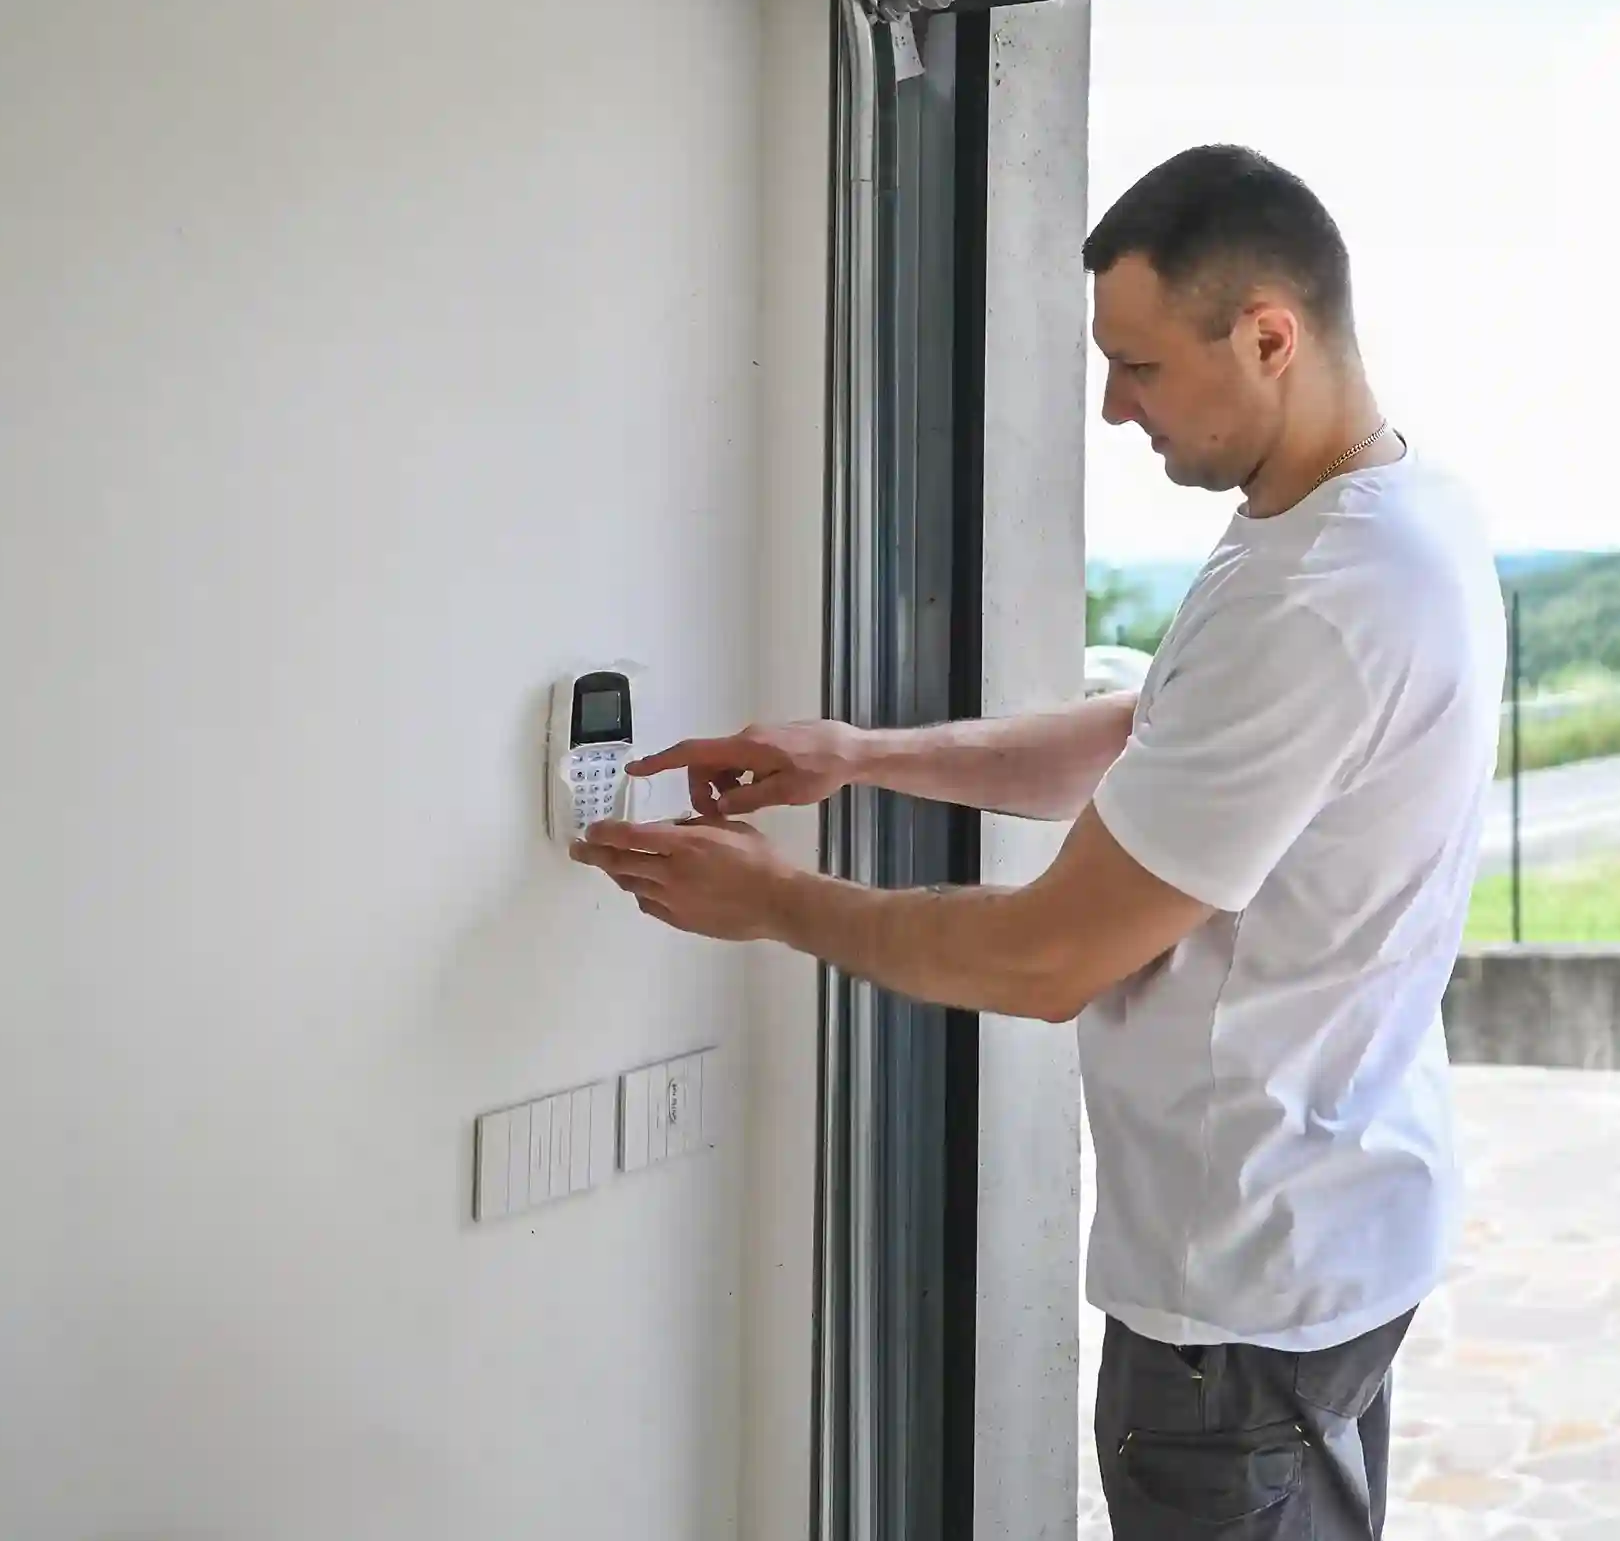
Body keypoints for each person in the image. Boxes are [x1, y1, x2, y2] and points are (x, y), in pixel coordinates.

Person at [576, 143, 1505, 1539]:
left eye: (1136, 367)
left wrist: (778, 905)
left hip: (1238, 1293)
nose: (1112, 408)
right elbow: (1154, 734)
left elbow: (1044, 957)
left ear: (1268, 334)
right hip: (1327, 1236)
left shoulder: (1324, 594)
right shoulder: (1372, 516)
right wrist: (860, 758)